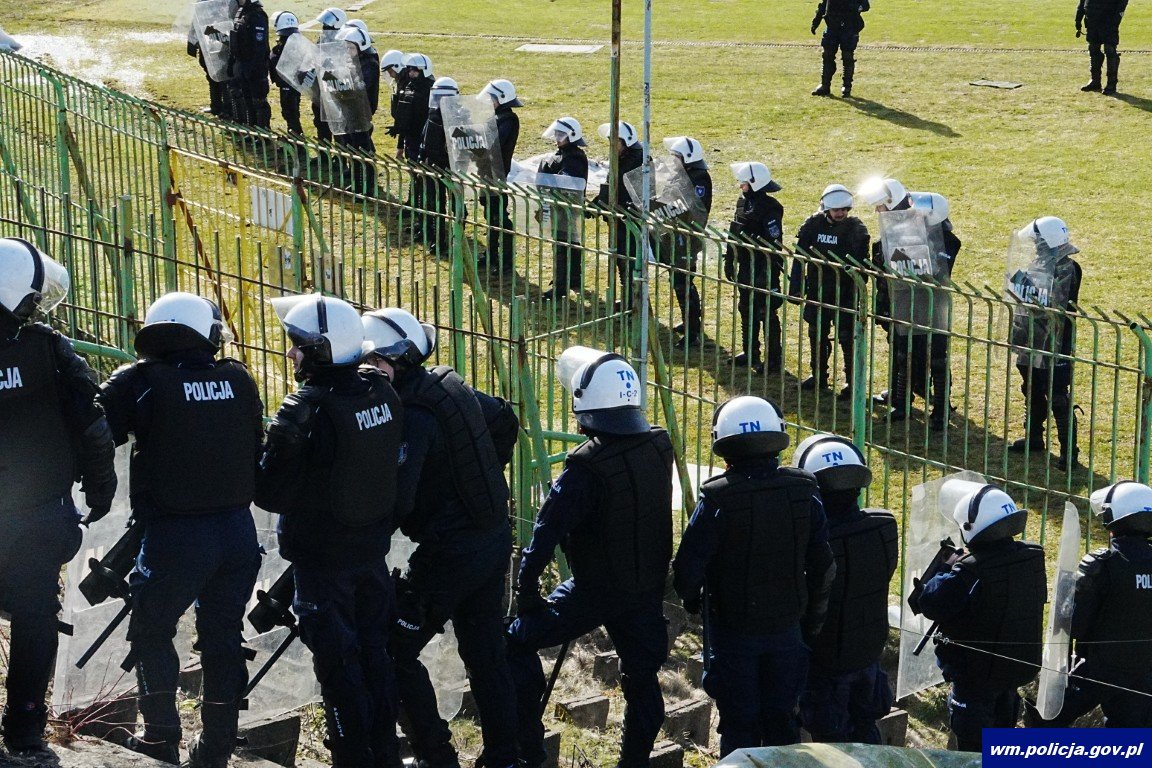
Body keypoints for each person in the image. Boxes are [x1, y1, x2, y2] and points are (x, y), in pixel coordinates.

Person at [98, 292, 263, 767]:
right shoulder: (238, 378)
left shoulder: (141, 382)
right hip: (237, 531)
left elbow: (93, 429)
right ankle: (215, 749)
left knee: (151, 629)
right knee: (223, 636)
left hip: (175, 537)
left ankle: (160, 738)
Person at [361, 308, 520, 768]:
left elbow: (399, 501)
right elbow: (504, 420)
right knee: (486, 654)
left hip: (450, 553)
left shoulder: (412, 415)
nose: (366, 374)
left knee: (394, 649)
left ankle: (437, 756)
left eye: (372, 364)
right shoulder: (448, 385)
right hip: (491, 536)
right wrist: (478, 477)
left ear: (393, 362)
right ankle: (505, 758)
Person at [256, 293, 404, 768]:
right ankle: (383, 755)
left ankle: (351, 757)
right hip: (372, 555)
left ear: (320, 350)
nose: (290, 353)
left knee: (338, 669)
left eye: (297, 346)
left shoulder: (306, 409)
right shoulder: (380, 391)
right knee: (376, 658)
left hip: (323, 563)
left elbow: (269, 494)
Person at [508, 346, 672, 768]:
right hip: (645, 589)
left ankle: (528, 748)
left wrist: (526, 591)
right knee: (643, 682)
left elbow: (545, 532)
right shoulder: (660, 445)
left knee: (513, 642)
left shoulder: (586, 469)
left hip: (594, 591)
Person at [0, 237, 116, 754]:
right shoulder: (47, 347)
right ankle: (26, 729)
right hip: (40, 512)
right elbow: (91, 421)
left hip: (30, 511)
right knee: (35, 618)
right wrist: (101, 485)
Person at [673, 397, 835, 753]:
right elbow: (823, 566)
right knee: (782, 721)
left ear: (723, 443)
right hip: (788, 629)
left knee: (740, 724)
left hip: (734, 634)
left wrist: (692, 600)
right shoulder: (804, 492)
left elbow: (686, 570)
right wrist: (810, 621)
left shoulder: (717, 499)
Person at [910, 484, 1046, 752]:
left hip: (974, 683)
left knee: (972, 753)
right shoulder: (1032, 556)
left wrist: (949, 568)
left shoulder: (969, 572)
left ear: (971, 528)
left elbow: (930, 603)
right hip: (1010, 674)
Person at [791, 435, 897, 744]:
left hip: (824, 662)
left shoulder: (811, 543)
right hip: (868, 653)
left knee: (831, 746)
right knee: (867, 733)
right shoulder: (884, 525)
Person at [1029, 481, 1152, 728]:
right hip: (1145, 668)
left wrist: (1068, 593)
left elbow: (1073, 625)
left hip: (1099, 668)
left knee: (1047, 718)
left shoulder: (1102, 564)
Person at [859, 178, 960, 429]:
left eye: (881, 206)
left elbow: (939, 265)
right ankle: (901, 400)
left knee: (937, 356)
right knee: (902, 350)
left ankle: (941, 408)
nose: (877, 211)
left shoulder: (942, 236)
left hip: (931, 302)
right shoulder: (894, 228)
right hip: (902, 299)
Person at [1006, 216, 1083, 468]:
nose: (1035, 245)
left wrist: (1026, 289)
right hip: (1032, 335)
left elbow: (1055, 303)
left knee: (1058, 394)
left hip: (1056, 340)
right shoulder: (1039, 263)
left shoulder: (1068, 268)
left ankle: (1069, 451)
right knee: (1032, 387)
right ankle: (1034, 437)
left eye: (1038, 241)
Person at [791, 184, 870, 396]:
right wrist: (795, 287)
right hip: (817, 289)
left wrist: (857, 284)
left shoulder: (856, 229)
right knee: (817, 333)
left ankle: (852, 382)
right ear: (827, 209)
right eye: (836, 210)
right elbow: (799, 256)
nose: (840, 213)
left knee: (847, 337)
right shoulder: (812, 225)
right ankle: (818, 375)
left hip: (845, 292)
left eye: (844, 209)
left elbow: (863, 264)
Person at [725, 161, 785, 374]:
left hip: (764, 266)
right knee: (746, 308)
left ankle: (773, 358)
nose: (741, 186)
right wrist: (729, 259)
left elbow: (773, 241)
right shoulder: (743, 203)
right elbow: (735, 231)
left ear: (754, 182)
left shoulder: (771, 207)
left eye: (744, 183)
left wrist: (766, 271)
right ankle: (750, 351)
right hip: (745, 264)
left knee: (766, 311)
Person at [662, 136, 712, 345]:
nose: (673, 160)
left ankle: (693, 331)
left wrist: (669, 208)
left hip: (687, 236)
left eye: (677, 156)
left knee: (684, 283)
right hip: (675, 234)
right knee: (678, 282)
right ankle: (689, 321)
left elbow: (694, 207)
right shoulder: (680, 175)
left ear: (688, 157)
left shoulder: (699, 179)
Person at [593, 121, 645, 309]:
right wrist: (599, 201)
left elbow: (622, 186)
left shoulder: (637, 160)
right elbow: (612, 184)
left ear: (626, 141)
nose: (611, 145)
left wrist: (602, 202)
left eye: (615, 141)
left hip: (630, 218)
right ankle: (628, 298)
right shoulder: (622, 158)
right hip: (619, 217)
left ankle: (635, 302)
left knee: (630, 261)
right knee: (622, 260)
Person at [537, 118, 589, 302]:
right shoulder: (562, 154)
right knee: (569, 241)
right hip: (559, 206)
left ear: (572, 136)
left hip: (566, 206)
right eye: (556, 134)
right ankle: (573, 277)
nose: (557, 138)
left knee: (563, 244)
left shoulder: (574, 156)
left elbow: (566, 181)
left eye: (561, 135)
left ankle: (561, 286)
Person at [476, 79, 522, 274]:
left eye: (492, 98)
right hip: (485, 172)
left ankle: (506, 260)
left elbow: (494, 144)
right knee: (490, 216)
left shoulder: (508, 119)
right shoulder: (494, 117)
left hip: (497, 174)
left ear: (502, 98)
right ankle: (491, 254)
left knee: (500, 217)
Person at [332, 25, 380, 193]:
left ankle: (366, 184)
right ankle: (357, 178)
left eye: (351, 48)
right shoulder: (353, 62)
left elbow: (359, 89)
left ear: (361, 47)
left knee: (362, 149)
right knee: (352, 146)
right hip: (350, 111)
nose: (348, 51)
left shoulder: (369, 65)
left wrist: (339, 83)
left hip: (361, 112)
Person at [416, 76, 459, 255]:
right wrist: (422, 159)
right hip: (434, 167)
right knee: (436, 207)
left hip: (452, 168)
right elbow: (425, 140)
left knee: (457, 207)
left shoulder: (460, 116)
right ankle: (438, 240)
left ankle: (458, 240)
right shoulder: (433, 115)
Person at [227, 0, 271, 130]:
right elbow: (235, 40)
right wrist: (232, 63)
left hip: (255, 66)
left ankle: (263, 132)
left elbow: (259, 46)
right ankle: (251, 130)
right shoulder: (241, 12)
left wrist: (252, 68)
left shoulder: (257, 16)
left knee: (258, 101)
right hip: (242, 64)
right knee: (247, 100)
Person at [810, 0, 869, 97]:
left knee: (847, 55)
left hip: (849, 25)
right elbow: (824, 5)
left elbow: (865, 5)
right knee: (827, 54)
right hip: (832, 25)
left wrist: (856, 7)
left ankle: (847, 86)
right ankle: (824, 85)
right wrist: (816, 21)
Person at [189, 0, 236, 119]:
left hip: (223, 46)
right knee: (211, 76)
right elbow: (196, 21)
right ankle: (216, 106)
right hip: (208, 46)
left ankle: (228, 109)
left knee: (224, 79)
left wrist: (211, 32)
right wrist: (192, 41)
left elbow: (229, 26)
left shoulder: (228, 3)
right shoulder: (202, 3)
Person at [311, 7, 347, 142]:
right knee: (321, 123)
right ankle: (323, 151)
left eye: (328, 24)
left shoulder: (343, 42)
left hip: (335, 90)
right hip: (320, 89)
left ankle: (340, 153)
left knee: (338, 126)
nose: (324, 28)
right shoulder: (322, 39)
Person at [1076, 0, 1128, 94]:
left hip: (1108, 21)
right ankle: (1095, 81)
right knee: (1093, 49)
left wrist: (1116, 19)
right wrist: (1078, 19)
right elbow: (1082, 1)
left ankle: (1111, 84)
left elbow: (1122, 2)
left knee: (1110, 50)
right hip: (1092, 21)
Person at [268, 11, 303, 136]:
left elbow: (275, 58)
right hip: (293, 82)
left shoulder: (284, 44)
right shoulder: (296, 41)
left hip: (287, 82)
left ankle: (295, 136)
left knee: (289, 110)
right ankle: (294, 134)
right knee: (291, 110)